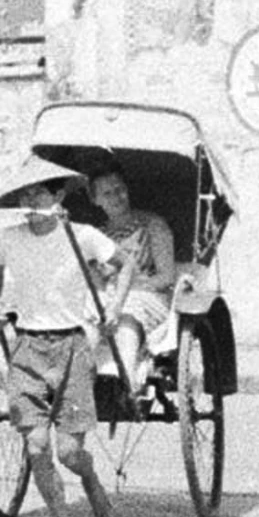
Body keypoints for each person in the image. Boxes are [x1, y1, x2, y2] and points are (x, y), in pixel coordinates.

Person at [0, 158, 121, 517]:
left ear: (59, 195)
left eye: (39, 192)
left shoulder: (83, 236)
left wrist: (114, 309)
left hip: (72, 347)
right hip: (27, 346)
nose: (30, 200)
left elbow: (123, 266)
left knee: (70, 452)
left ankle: (90, 478)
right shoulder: (10, 237)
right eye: (25, 193)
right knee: (37, 446)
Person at [87, 163, 178, 391]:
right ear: (95, 200)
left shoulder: (152, 225)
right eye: (107, 193)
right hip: (110, 296)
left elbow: (166, 276)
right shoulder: (97, 235)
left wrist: (126, 290)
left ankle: (125, 383)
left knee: (128, 308)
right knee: (89, 309)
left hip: (149, 296)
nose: (116, 197)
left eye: (119, 189)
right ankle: (79, 380)